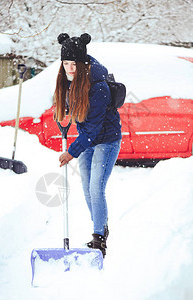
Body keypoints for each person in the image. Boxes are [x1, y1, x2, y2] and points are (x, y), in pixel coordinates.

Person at [53, 33, 122, 257]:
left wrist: (71, 152)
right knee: (87, 190)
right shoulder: (70, 80)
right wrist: (63, 109)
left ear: (83, 63)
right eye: (66, 63)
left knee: (96, 188)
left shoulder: (99, 87)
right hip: (89, 140)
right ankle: (101, 225)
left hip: (107, 141)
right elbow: (69, 104)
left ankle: (99, 238)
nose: (70, 68)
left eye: (74, 64)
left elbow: (92, 129)